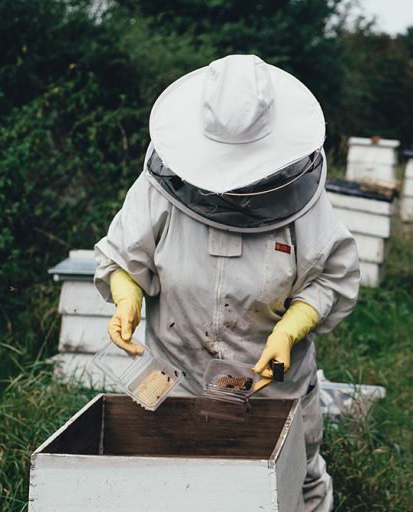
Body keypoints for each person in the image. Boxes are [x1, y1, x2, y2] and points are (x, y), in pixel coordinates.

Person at [93, 54, 360, 511]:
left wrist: (289, 330)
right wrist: (126, 297)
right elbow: (125, 256)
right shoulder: (160, 188)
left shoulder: (304, 205)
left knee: (294, 483)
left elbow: (328, 280)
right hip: (174, 381)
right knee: (183, 490)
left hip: (271, 386)